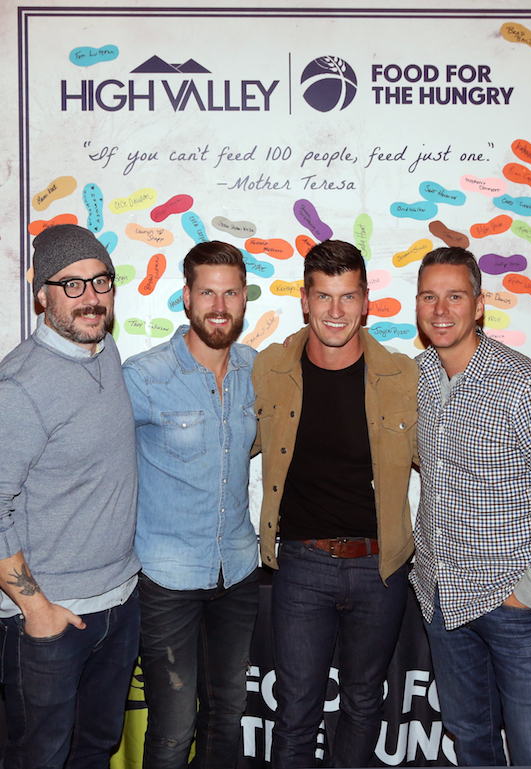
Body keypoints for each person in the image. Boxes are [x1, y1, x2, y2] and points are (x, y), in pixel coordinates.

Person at [252, 239, 418, 768]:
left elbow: (448, 463)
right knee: (296, 711)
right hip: (301, 564)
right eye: (324, 297)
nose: (336, 312)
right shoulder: (270, 370)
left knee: (365, 703)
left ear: (366, 301)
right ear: (305, 300)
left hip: (380, 567)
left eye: (347, 297)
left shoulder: (403, 377)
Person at [411, 246, 531, 765]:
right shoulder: (416, 378)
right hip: (444, 599)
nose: (441, 310)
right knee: (469, 737)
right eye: (429, 297)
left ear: (478, 305)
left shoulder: (526, 387)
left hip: (517, 605)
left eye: (454, 296)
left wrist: (530, 592)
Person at [0, 223, 141, 769]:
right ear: (42, 295)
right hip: (50, 621)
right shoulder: (20, 387)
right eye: (72, 285)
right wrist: (36, 609)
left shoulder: (103, 350)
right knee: (40, 757)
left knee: (95, 749)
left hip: (118, 604)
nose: (91, 298)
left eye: (100, 281)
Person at [123, 241, 259, 769]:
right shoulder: (144, 376)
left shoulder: (257, 371)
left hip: (239, 572)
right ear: (186, 297)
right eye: (207, 292)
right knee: (173, 730)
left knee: (227, 714)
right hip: (166, 579)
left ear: (244, 299)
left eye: (230, 293)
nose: (219, 305)